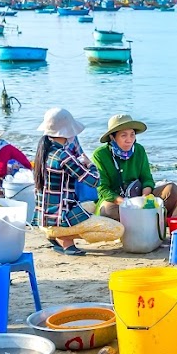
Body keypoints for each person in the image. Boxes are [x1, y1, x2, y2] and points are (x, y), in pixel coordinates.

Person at [32, 108, 123, 256]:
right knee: (117, 230)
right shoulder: (63, 156)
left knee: (91, 205)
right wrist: (90, 164)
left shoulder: (43, 152)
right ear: (67, 133)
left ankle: (56, 234)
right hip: (58, 220)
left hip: (44, 218)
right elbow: (95, 181)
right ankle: (64, 238)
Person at [90, 114, 177, 220]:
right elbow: (102, 189)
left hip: (138, 196)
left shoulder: (139, 150)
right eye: (124, 135)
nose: (129, 140)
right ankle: (143, 221)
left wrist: (144, 198)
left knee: (171, 190)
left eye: (132, 135)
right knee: (107, 210)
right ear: (112, 137)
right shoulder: (100, 155)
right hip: (116, 201)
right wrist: (126, 203)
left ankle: (158, 222)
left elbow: (147, 179)